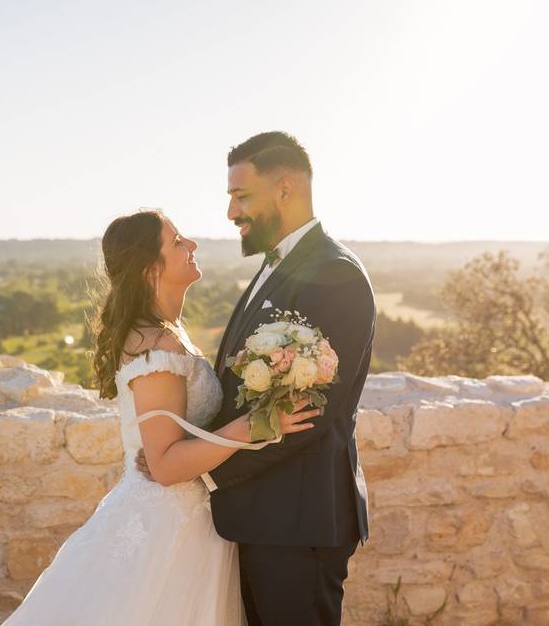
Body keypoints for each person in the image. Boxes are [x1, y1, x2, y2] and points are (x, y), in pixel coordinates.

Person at [1, 208, 320, 626]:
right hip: (163, 527)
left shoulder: (167, 333)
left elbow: (175, 438)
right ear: (152, 269)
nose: (192, 245)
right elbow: (166, 466)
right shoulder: (155, 346)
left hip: (192, 521)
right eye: (177, 242)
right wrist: (257, 425)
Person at [137, 131, 376, 626]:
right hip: (263, 516)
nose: (230, 212)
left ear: (284, 188)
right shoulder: (279, 264)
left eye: (240, 195)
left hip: (298, 521)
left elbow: (304, 416)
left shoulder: (336, 275)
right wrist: (185, 444)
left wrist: (198, 468)